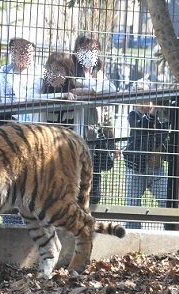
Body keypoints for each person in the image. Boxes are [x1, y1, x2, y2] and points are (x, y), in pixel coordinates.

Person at [70, 34, 117, 204]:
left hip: (94, 139)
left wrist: (88, 89)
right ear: (76, 51)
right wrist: (91, 88)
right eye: (85, 49)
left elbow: (111, 89)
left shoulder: (100, 74)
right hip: (74, 137)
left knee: (93, 191)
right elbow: (71, 85)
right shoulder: (70, 69)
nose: (89, 53)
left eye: (94, 49)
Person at [123, 86, 170, 229]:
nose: (143, 103)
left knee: (166, 201)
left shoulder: (160, 116)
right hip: (136, 168)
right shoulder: (133, 115)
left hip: (156, 168)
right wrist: (151, 115)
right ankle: (131, 238)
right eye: (139, 99)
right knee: (133, 205)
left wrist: (157, 114)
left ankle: (171, 229)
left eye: (146, 99)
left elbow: (163, 135)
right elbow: (140, 130)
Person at [0, 38, 42, 126]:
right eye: (17, 49)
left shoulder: (43, 74)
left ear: (33, 50)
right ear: (11, 50)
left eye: (25, 48)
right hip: (8, 132)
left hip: (36, 131)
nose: (21, 53)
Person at [31, 52, 79, 127]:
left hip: (68, 134)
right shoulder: (41, 82)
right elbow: (31, 97)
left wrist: (86, 90)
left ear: (67, 73)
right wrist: (62, 95)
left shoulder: (74, 84)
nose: (52, 74)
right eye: (50, 69)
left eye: (58, 70)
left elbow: (102, 86)